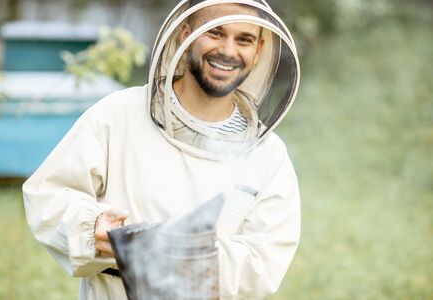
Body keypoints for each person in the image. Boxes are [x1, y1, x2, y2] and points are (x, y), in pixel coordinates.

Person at [23, 0, 301, 299]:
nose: (228, 51)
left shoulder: (269, 156)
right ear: (185, 34)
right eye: (215, 32)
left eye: (243, 39)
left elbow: (264, 260)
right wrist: (91, 228)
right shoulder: (118, 114)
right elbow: (49, 196)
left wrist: (178, 255)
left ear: (258, 50)